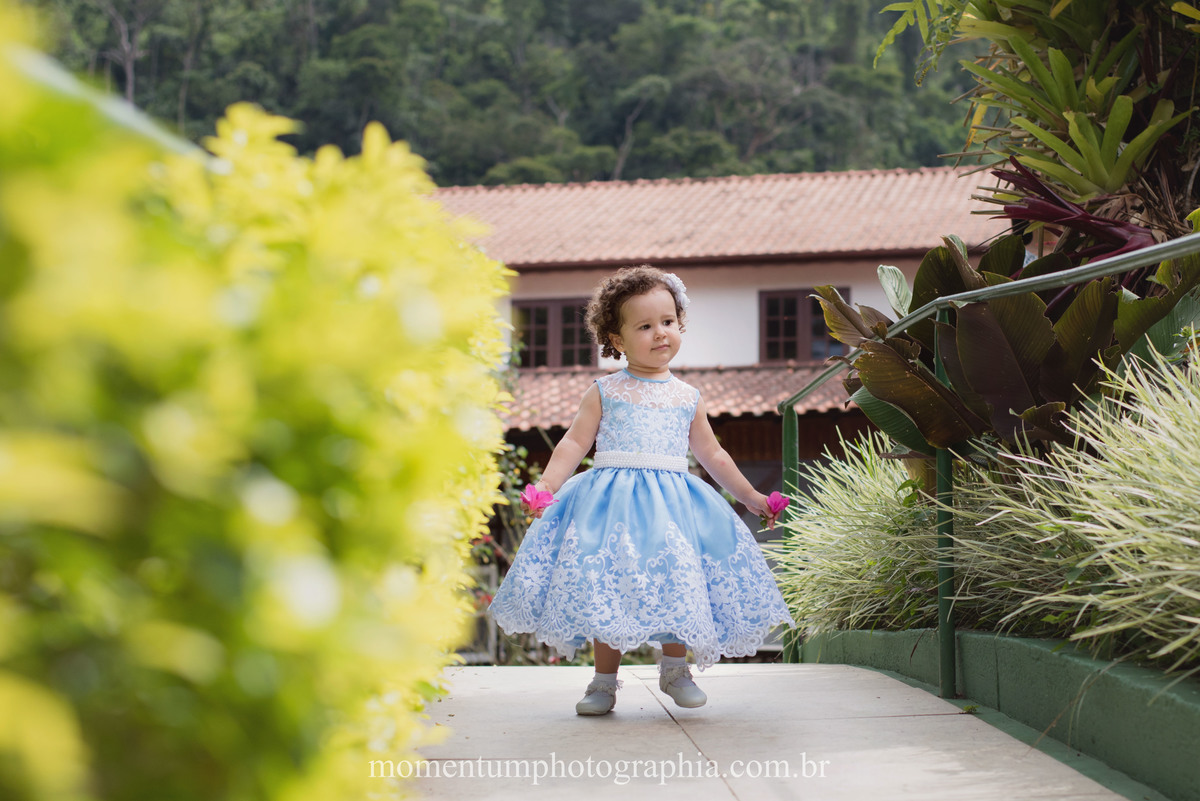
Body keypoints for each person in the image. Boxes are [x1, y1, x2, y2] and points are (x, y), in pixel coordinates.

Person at [489, 265, 795, 716]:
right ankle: (602, 683)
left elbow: (713, 455)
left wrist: (751, 497)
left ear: (680, 325)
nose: (660, 334)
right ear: (616, 339)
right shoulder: (605, 391)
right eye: (645, 326)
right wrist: (546, 487)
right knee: (605, 586)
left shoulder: (687, 396)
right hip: (609, 507)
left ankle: (675, 670)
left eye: (668, 322)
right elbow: (574, 442)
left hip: (672, 509)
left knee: (676, 582)